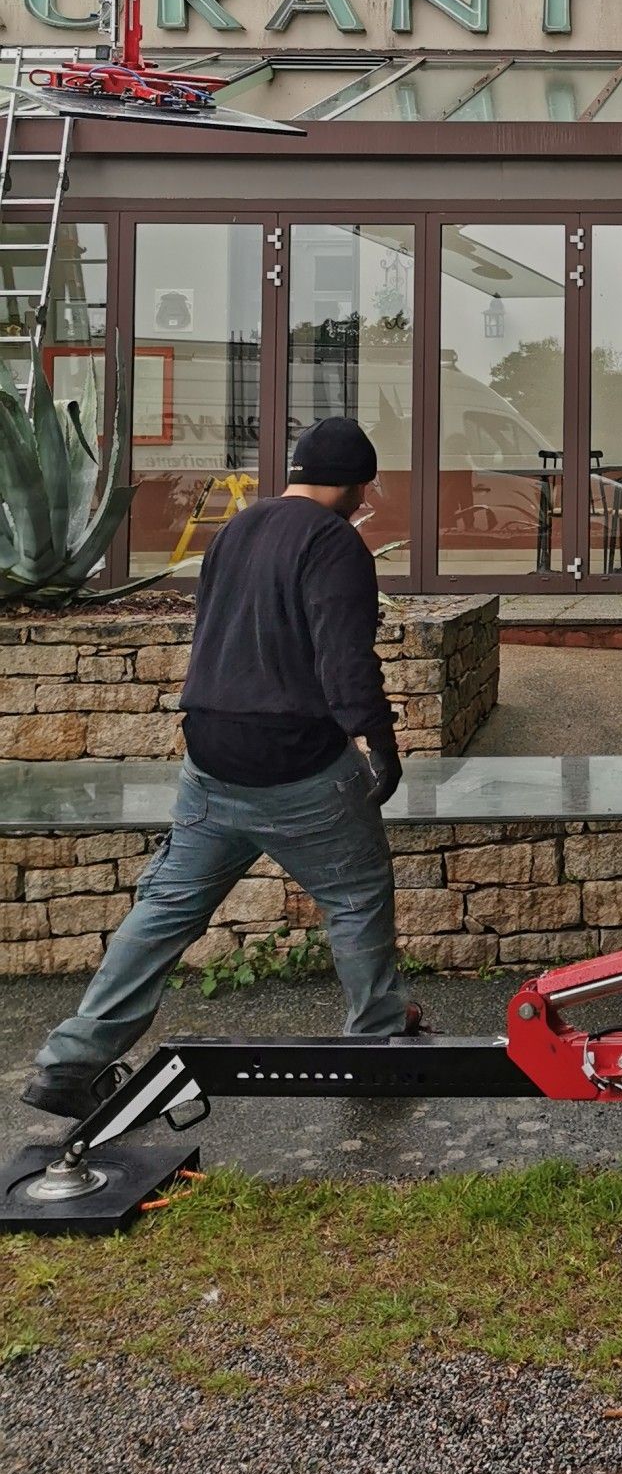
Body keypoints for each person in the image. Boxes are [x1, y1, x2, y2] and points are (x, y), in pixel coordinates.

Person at [23, 416, 416, 1119]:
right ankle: (375, 1048)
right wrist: (377, 740)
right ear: (358, 486)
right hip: (298, 764)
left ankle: (69, 1061)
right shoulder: (336, 545)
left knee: (165, 910)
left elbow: (212, 629)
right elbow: (344, 657)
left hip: (209, 758)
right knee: (356, 899)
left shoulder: (238, 528)